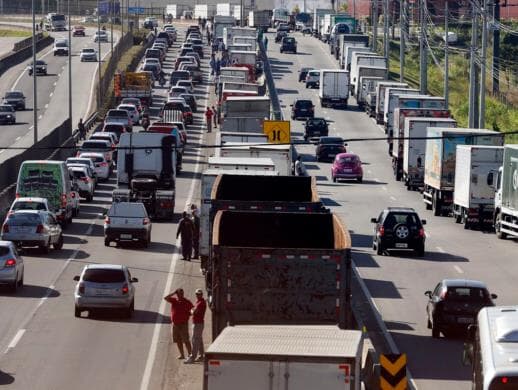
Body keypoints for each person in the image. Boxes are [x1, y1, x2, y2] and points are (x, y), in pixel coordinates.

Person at [164, 289, 194, 360]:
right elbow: (166, 298)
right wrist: (173, 293)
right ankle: (182, 354)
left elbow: (192, 309)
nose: (181, 295)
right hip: (175, 324)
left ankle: (190, 354)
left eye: (182, 293)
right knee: (178, 340)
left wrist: (190, 313)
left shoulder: (187, 301)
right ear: (177, 294)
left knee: (186, 340)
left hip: (183, 324)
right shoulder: (174, 300)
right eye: (180, 294)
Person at [184, 289, 207, 364]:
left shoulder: (201, 303)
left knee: (195, 340)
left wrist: (191, 310)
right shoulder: (198, 302)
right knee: (199, 339)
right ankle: (201, 356)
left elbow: (194, 312)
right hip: (197, 323)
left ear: (202, 294)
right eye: (197, 294)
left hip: (198, 324)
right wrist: (192, 309)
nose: (198, 295)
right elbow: (193, 310)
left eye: (199, 294)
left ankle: (192, 357)